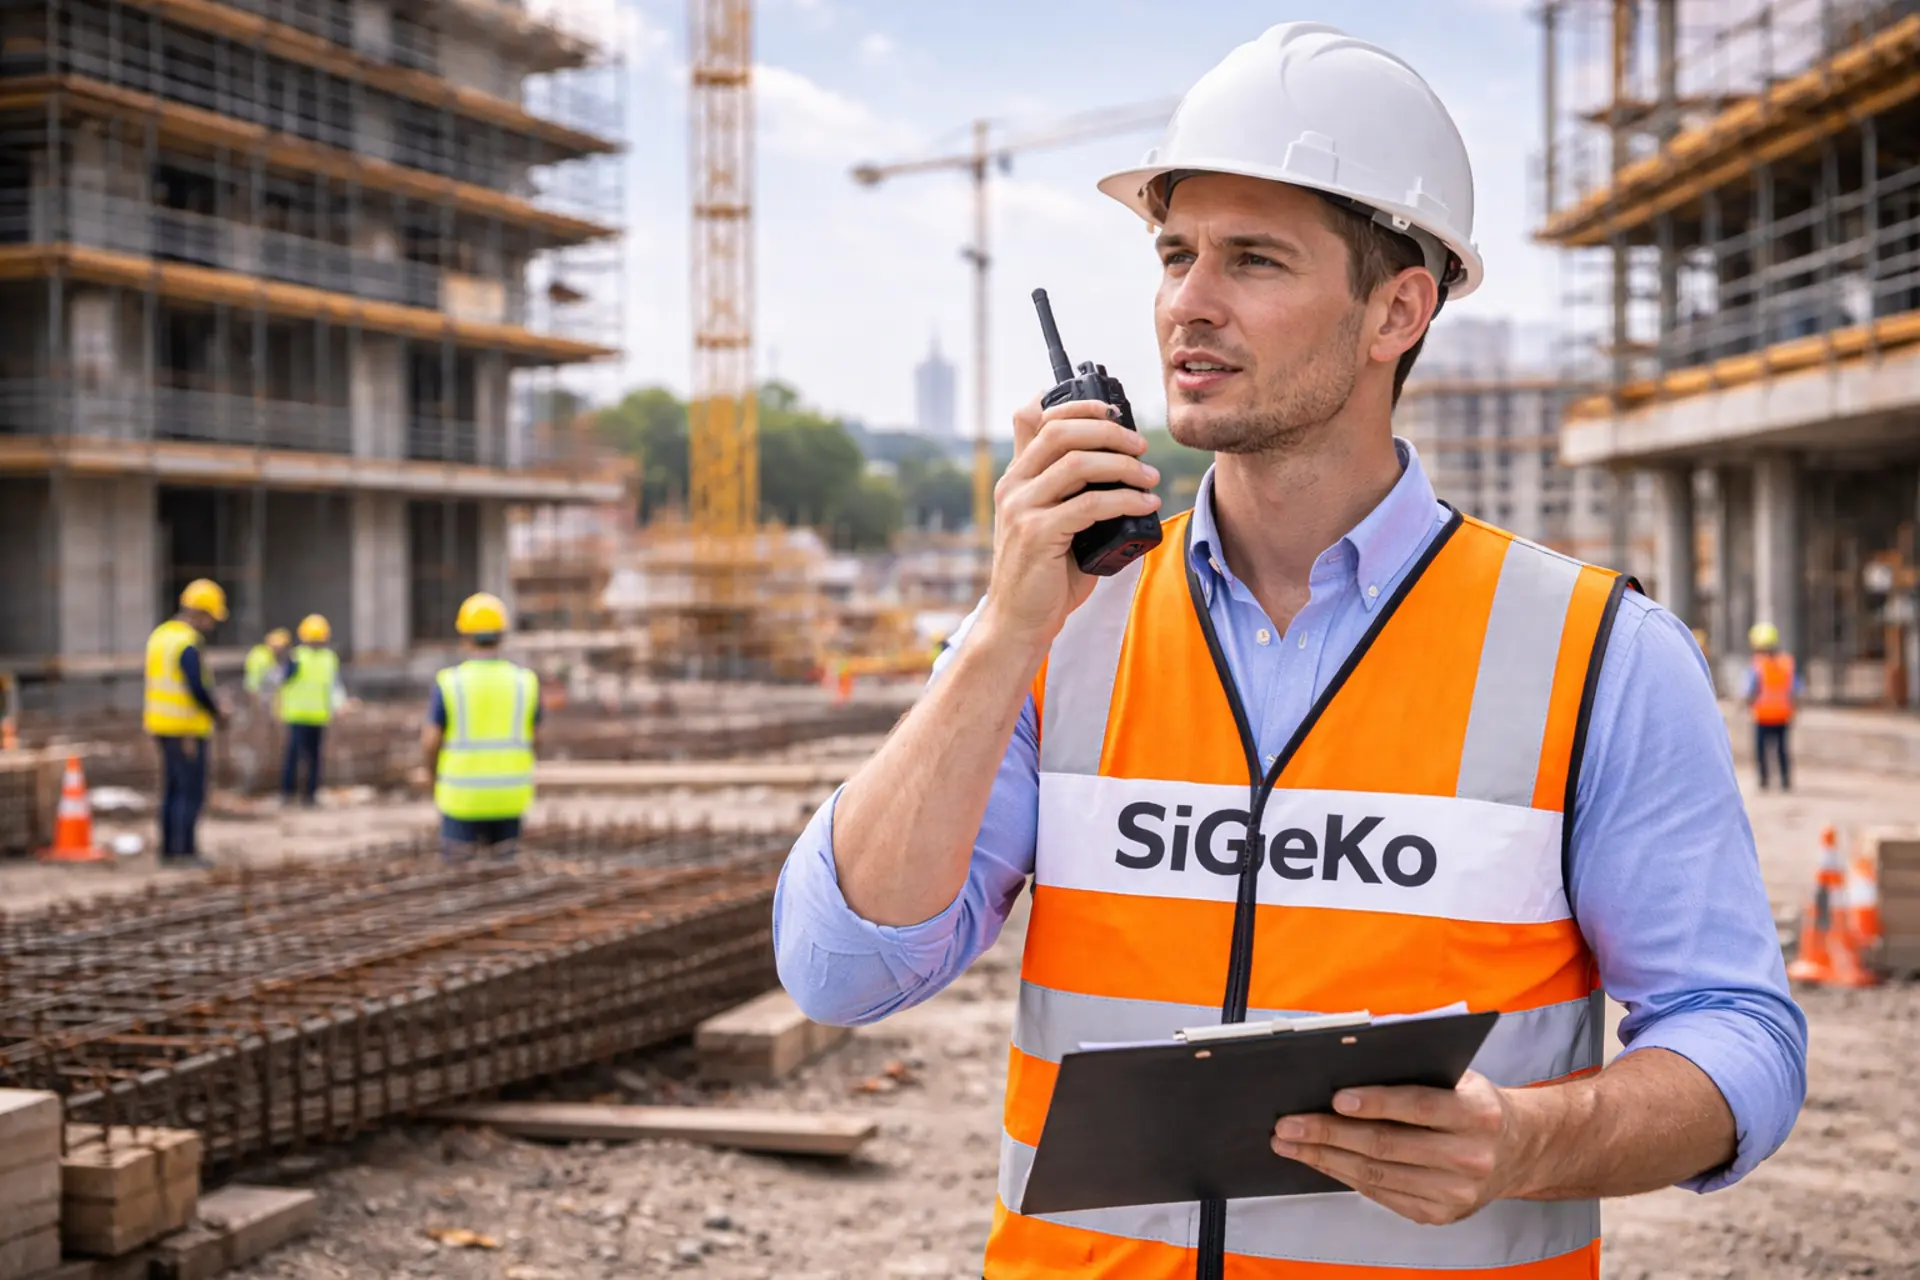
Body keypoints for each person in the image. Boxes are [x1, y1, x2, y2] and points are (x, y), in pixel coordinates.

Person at [772, 24, 1806, 1279]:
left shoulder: (1596, 655)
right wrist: (1000, 631)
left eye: (1252, 258)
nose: (1186, 303)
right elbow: (841, 966)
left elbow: (1738, 1035)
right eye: (1173, 254)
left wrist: (1529, 1139)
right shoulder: (1060, 627)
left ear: (1397, 310)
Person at [421, 592, 539, 861]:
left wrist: (432, 778)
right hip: (510, 796)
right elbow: (536, 738)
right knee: (505, 881)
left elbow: (430, 741)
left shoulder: (450, 683)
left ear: (465, 637)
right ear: (502, 635)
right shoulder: (525, 682)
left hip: (462, 799)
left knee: (459, 884)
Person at [144, 578, 228, 868]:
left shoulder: (161, 636)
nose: (211, 625)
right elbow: (196, 686)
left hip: (162, 725)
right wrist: (217, 711)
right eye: (211, 618)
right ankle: (185, 851)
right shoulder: (186, 643)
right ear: (200, 613)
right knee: (189, 790)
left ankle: (168, 849)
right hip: (186, 728)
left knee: (171, 788)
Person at [278, 614, 347, 807]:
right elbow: (282, 680)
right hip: (297, 716)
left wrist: (339, 706)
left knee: (314, 758)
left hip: (317, 716)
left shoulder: (329, 658)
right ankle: (288, 793)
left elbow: (334, 685)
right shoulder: (296, 657)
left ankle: (310, 795)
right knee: (294, 757)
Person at [1745, 621, 1800, 790]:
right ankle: (1785, 780)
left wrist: (1746, 702)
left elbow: (1750, 689)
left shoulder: (1757, 665)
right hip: (1782, 715)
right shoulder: (1786, 662)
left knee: (1762, 750)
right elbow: (1795, 688)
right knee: (1782, 750)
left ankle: (1764, 780)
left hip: (1763, 716)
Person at [244, 628, 291, 701]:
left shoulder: (286, 660)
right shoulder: (260, 658)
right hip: (264, 701)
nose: (280, 650)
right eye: (276, 647)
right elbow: (253, 688)